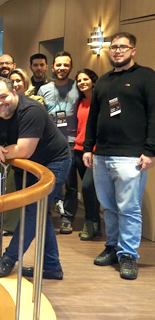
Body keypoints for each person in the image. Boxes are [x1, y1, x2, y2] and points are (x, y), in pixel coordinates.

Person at [0, 77, 71, 280]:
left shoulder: (31, 110)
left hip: (54, 162)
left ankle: (9, 259)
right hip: (23, 167)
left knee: (32, 211)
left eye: (3, 97)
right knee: (38, 213)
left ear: (14, 94)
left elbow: (24, 150)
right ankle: (51, 266)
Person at [83, 32, 155, 280]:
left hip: (131, 156)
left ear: (133, 50)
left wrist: (150, 150)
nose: (117, 51)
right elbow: (93, 117)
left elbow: (154, 115)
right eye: (113, 47)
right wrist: (87, 147)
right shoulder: (102, 81)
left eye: (123, 47)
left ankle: (128, 255)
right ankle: (113, 247)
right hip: (102, 155)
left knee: (129, 208)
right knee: (109, 207)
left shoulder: (147, 77)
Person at [37, 51, 80, 234]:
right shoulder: (43, 90)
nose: (62, 68)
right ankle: (45, 215)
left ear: (70, 67)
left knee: (70, 183)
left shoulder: (78, 88)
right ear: (52, 67)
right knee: (48, 181)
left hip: (71, 141)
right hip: (49, 143)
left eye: (66, 65)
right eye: (59, 65)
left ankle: (67, 218)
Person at [71, 69, 101, 241]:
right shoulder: (80, 102)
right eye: (79, 80)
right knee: (91, 190)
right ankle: (96, 222)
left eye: (85, 79)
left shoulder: (100, 100)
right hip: (78, 149)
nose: (82, 82)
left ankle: (89, 222)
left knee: (88, 186)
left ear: (93, 80)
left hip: (95, 150)